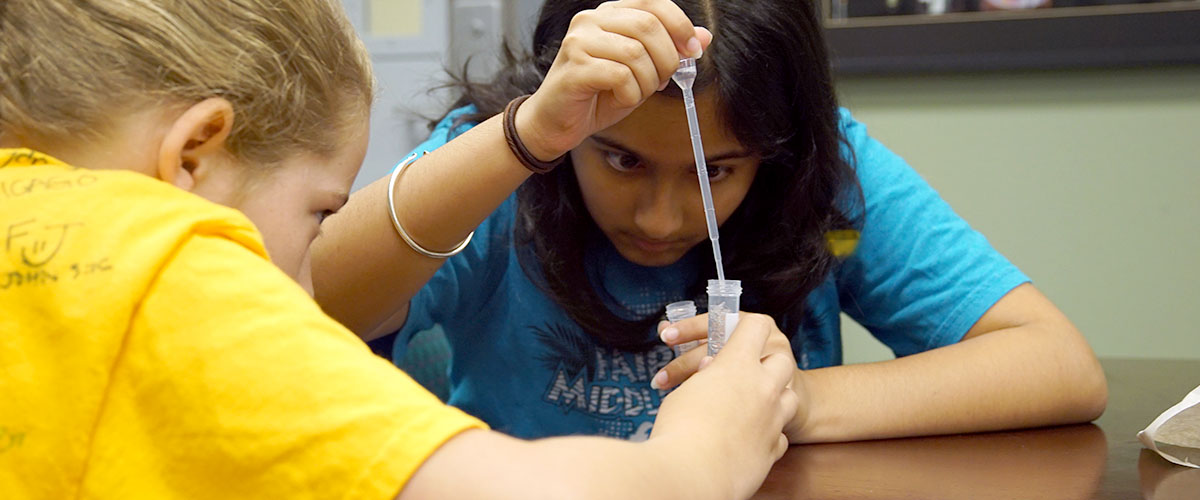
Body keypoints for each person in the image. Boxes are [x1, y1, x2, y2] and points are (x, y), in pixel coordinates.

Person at [0, 1, 797, 499]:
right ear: (194, 153)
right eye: (319, 217)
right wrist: (707, 448)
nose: (309, 285)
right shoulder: (169, 266)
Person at [314, 0, 1108, 443]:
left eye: (716, 171)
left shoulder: (825, 169)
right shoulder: (503, 162)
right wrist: (525, 138)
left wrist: (792, 399)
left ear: (777, 147)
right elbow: (299, 302)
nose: (661, 219)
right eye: (620, 160)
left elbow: (1057, 365)